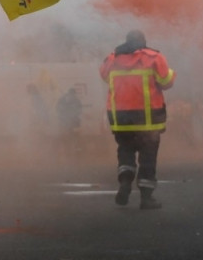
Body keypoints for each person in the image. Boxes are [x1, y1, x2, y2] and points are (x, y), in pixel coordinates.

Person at [99, 30, 175, 210]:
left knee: (125, 152)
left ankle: (125, 183)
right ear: (144, 41)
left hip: (121, 120)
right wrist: (171, 72)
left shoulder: (112, 59)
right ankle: (146, 199)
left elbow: (103, 77)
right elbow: (166, 82)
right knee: (148, 158)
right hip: (148, 121)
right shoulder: (154, 57)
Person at [55, 85, 83, 156]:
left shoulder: (75, 100)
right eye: (72, 94)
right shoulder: (65, 100)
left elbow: (79, 110)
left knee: (73, 136)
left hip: (72, 122)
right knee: (67, 136)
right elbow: (58, 109)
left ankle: (74, 149)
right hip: (66, 122)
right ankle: (70, 150)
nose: (72, 96)